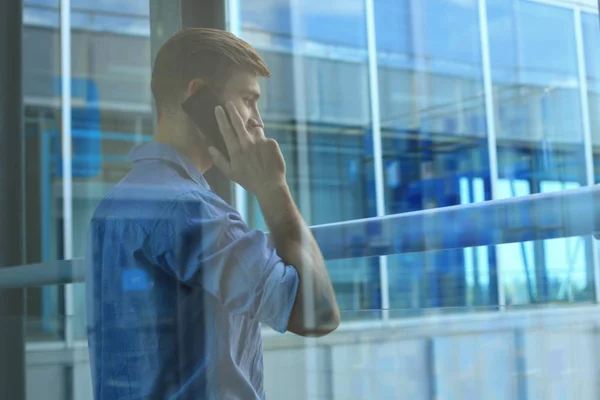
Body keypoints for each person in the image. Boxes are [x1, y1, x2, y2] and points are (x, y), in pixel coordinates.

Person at [85, 28, 340, 400]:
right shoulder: (190, 210)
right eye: (248, 99)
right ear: (198, 95)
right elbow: (318, 315)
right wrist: (273, 188)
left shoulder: (113, 205)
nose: (258, 121)